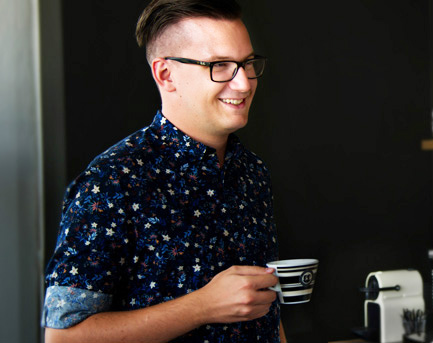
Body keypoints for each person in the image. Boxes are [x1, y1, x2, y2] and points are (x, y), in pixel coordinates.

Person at [41, 0, 287, 342]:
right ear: (165, 74)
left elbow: (266, 312)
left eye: (246, 63)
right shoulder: (113, 180)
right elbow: (63, 338)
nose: (244, 83)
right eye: (219, 65)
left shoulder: (252, 173)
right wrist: (202, 306)